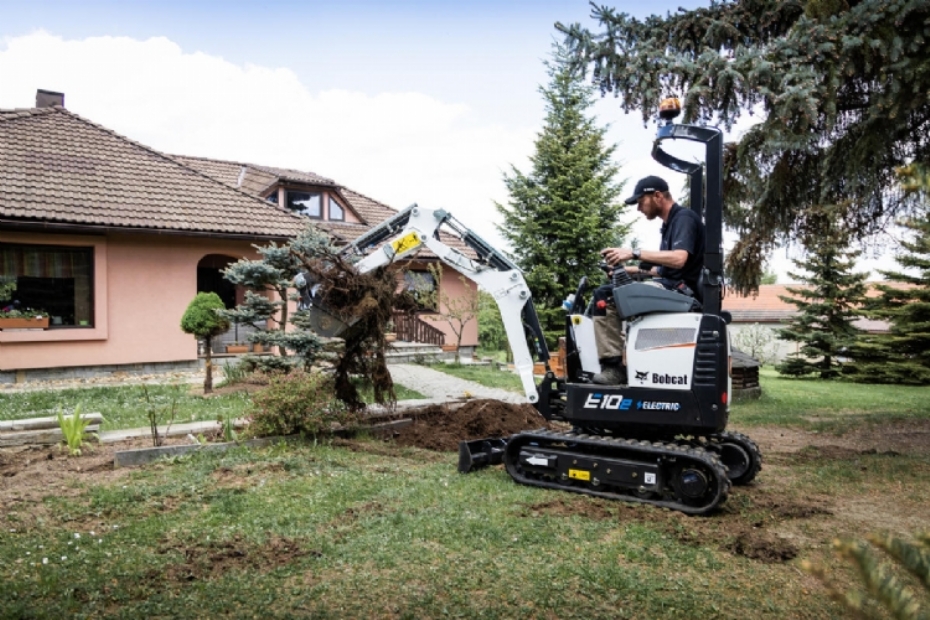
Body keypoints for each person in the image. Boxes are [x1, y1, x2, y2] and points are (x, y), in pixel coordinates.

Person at [591, 175, 706, 385]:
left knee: (606, 296)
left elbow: (679, 259)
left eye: (640, 201)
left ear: (657, 196)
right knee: (615, 287)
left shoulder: (684, 219)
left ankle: (614, 368)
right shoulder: (670, 224)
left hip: (682, 293)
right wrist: (628, 270)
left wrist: (633, 253)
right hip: (672, 286)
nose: (638, 208)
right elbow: (662, 269)